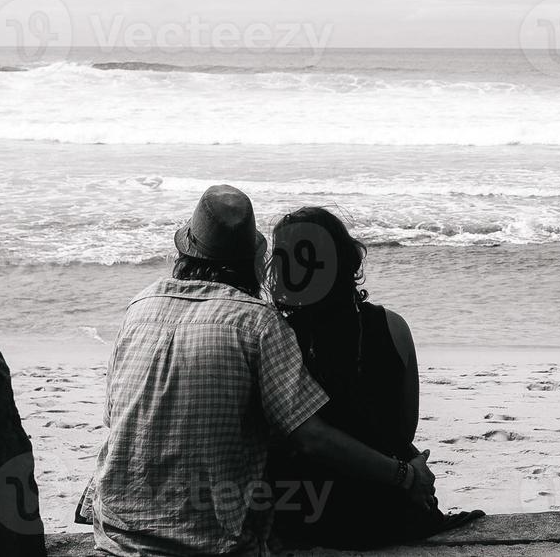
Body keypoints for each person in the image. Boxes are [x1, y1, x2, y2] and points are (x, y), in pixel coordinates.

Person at [86, 185, 437, 557]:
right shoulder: (260, 324)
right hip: (209, 540)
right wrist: (406, 475)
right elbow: (316, 437)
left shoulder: (140, 306)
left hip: (115, 529)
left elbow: (112, 416)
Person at [267, 206, 483, 549]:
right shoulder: (393, 327)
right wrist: (408, 472)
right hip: (389, 511)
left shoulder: (274, 338)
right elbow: (402, 430)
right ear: (345, 259)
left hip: (308, 513)